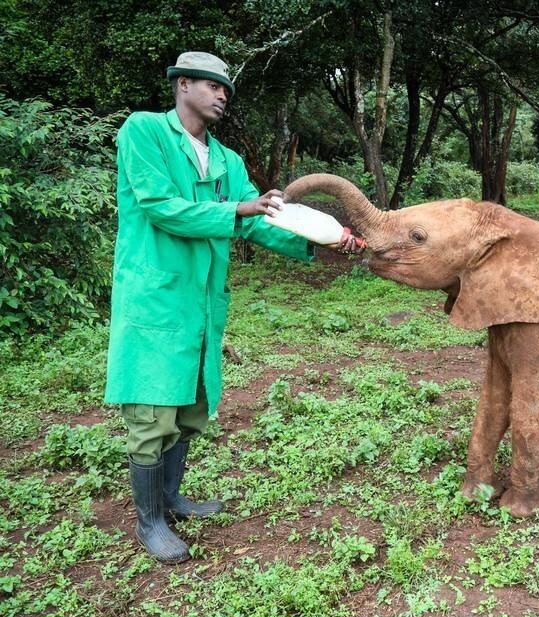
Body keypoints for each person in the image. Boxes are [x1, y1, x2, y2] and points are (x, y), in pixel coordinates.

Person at [104, 52, 355, 563]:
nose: (222, 96)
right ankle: (149, 522)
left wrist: (320, 240)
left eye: (227, 90)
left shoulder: (227, 161)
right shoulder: (145, 132)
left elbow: (259, 220)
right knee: (153, 411)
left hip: (203, 302)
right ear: (183, 85)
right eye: (212, 86)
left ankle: (171, 498)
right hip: (158, 294)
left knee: (191, 406)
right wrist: (236, 208)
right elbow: (158, 207)